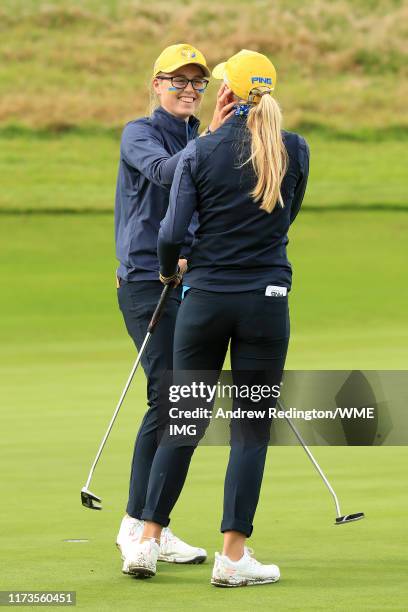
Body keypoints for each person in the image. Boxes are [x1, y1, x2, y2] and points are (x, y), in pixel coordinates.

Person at [129, 49, 310, 586]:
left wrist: (169, 272)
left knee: (181, 421)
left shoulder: (199, 150)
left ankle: (146, 542)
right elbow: (287, 217)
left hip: (204, 301)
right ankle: (233, 558)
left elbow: (170, 233)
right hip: (266, 301)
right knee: (250, 431)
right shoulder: (294, 148)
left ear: (224, 93)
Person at [114, 43, 235, 576]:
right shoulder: (139, 133)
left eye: (197, 83)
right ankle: (137, 527)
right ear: (156, 83)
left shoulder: (195, 136)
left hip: (189, 281)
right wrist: (211, 138)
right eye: (178, 81)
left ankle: (146, 525)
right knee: (169, 396)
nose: (189, 90)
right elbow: (166, 175)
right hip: (146, 279)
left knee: (179, 400)